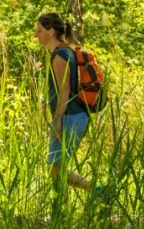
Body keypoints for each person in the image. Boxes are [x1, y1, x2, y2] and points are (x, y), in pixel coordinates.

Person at [34, 12, 105, 196]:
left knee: (55, 169)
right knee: (56, 168)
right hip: (76, 115)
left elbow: (64, 90)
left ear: (51, 31)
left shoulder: (59, 55)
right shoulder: (67, 52)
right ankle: (96, 193)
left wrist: (57, 120)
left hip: (70, 117)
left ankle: (97, 192)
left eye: (39, 30)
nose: (36, 35)